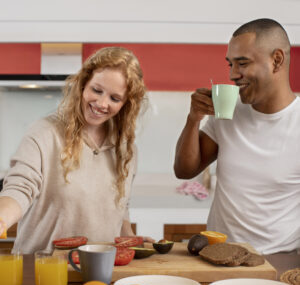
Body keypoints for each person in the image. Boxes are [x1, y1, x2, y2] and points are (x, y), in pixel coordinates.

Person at [0, 46, 154, 254]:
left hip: (99, 270)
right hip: (41, 269)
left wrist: (128, 238)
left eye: (114, 98)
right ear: (83, 84)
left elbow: (120, 208)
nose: (101, 103)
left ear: (126, 104)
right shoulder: (45, 133)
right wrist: (1, 219)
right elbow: (20, 188)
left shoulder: (126, 150)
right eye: (96, 90)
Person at [174, 18, 300, 255]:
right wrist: (193, 119)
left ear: (277, 60)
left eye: (242, 63)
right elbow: (184, 170)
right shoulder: (228, 111)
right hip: (218, 255)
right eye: (230, 64)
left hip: (278, 261)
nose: (232, 74)